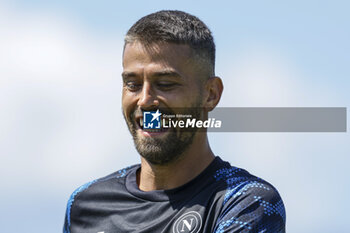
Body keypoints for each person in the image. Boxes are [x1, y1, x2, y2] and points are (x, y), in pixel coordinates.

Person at [63, 10, 286, 233]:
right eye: (132, 85)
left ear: (211, 94)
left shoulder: (246, 200)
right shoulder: (85, 204)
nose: (145, 101)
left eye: (166, 84)